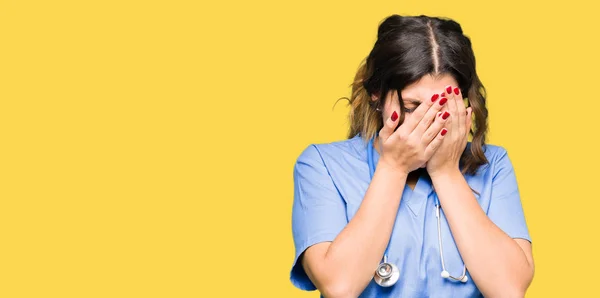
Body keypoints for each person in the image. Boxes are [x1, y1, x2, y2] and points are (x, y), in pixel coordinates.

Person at [289, 15, 534, 298]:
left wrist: (447, 173)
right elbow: (339, 287)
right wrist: (394, 167)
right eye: (412, 106)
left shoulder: (494, 165)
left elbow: (509, 289)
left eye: (442, 107)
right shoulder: (321, 165)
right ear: (377, 94)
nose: (427, 123)